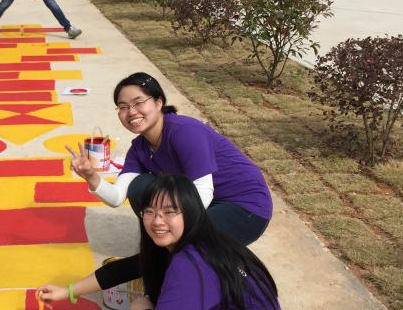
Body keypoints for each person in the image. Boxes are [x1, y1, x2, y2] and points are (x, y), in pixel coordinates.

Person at [38, 174, 285, 310]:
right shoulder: (208, 237)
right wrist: (67, 291)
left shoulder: (190, 264)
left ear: (190, 211)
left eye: (170, 212)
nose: (157, 221)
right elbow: (127, 267)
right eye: (149, 211)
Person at [66, 72, 272, 246]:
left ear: (158, 102)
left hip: (244, 206)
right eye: (123, 107)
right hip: (204, 202)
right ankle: (167, 246)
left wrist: (173, 230)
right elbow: (117, 197)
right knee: (140, 186)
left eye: (138, 103)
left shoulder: (184, 131)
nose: (131, 112)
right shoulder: (140, 147)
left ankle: (202, 258)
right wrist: (90, 175)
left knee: (187, 245)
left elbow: (203, 190)